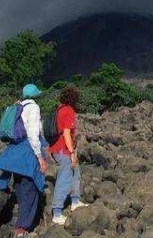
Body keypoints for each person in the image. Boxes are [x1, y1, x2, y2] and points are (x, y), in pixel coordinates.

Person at [0, 84, 47, 238]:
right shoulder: (33, 107)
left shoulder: (17, 106)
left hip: (15, 153)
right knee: (30, 190)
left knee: (20, 187)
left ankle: (19, 222)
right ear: (35, 95)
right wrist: (40, 157)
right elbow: (33, 134)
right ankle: (21, 228)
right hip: (27, 153)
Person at [49, 86, 88, 225]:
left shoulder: (59, 110)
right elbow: (66, 133)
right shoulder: (68, 111)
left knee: (75, 172)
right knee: (64, 178)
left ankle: (75, 201)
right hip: (63, 150)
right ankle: (57, 212)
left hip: (56, 148)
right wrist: (72, 153)